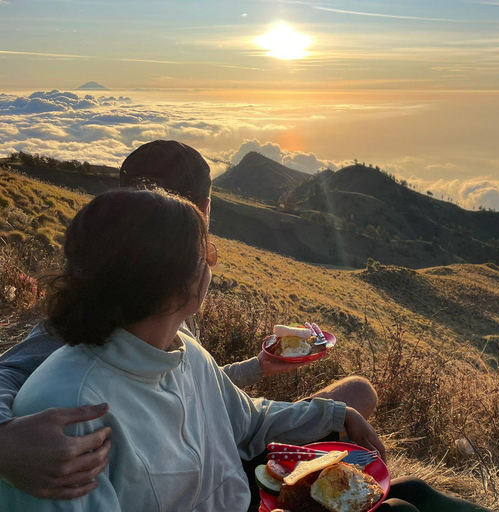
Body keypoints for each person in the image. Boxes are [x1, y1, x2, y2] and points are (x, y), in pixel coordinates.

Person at [0, 140, 378, 500]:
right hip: (204, 478)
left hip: (215, 465)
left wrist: (260, 371)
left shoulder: (171, 333)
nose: (208, 263)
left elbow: (185, 394)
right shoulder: (80, 383)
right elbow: (17, 375)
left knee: (357, 397)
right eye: (201, 254)